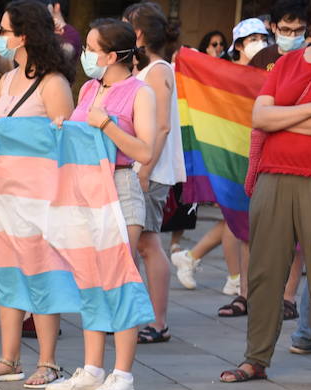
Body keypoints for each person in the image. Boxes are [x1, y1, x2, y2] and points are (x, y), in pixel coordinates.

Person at [45, 17, 156, 390]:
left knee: (119, 279)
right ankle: (92, 368)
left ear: (112, 55)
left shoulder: (140, 92)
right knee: (89, 280)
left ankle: (122, 373)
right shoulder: (89, 87)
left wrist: (106, 123)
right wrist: (64, 129)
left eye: (92, 48)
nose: (85, 54)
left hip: (120, 189)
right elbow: (80, 138)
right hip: (86, 193)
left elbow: (144, 152)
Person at [0, 0, 73, 389]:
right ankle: (8, 358)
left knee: (43, 274)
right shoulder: (10, 79)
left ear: (24, 35)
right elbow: (3, 124)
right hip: (5, 197)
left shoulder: (54, 83)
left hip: (41, 198)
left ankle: (48, 361)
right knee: (9, 275)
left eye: (5, 30)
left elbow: (65, 143)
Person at [218, 26, 311, 388]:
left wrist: (284, 118)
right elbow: (260, 118)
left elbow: (273, 118)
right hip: (273, 177)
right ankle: (255, 358)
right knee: (263, 272)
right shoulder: (286, 64)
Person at [123, 2, 182, 346]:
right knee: (144, 242)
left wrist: (144, 169)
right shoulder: (148, 70)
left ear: (139, 33)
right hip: (144, 166)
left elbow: (160, 127)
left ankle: (158, 322)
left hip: (150, 168)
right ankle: (150, 318)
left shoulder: (158, 71)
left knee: (147, 243)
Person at [249, 0, 306, 71]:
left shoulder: (310, 58)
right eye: (285, 30)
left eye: (299, 30)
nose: (293, 36)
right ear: (273, 27)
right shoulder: (262, 57)